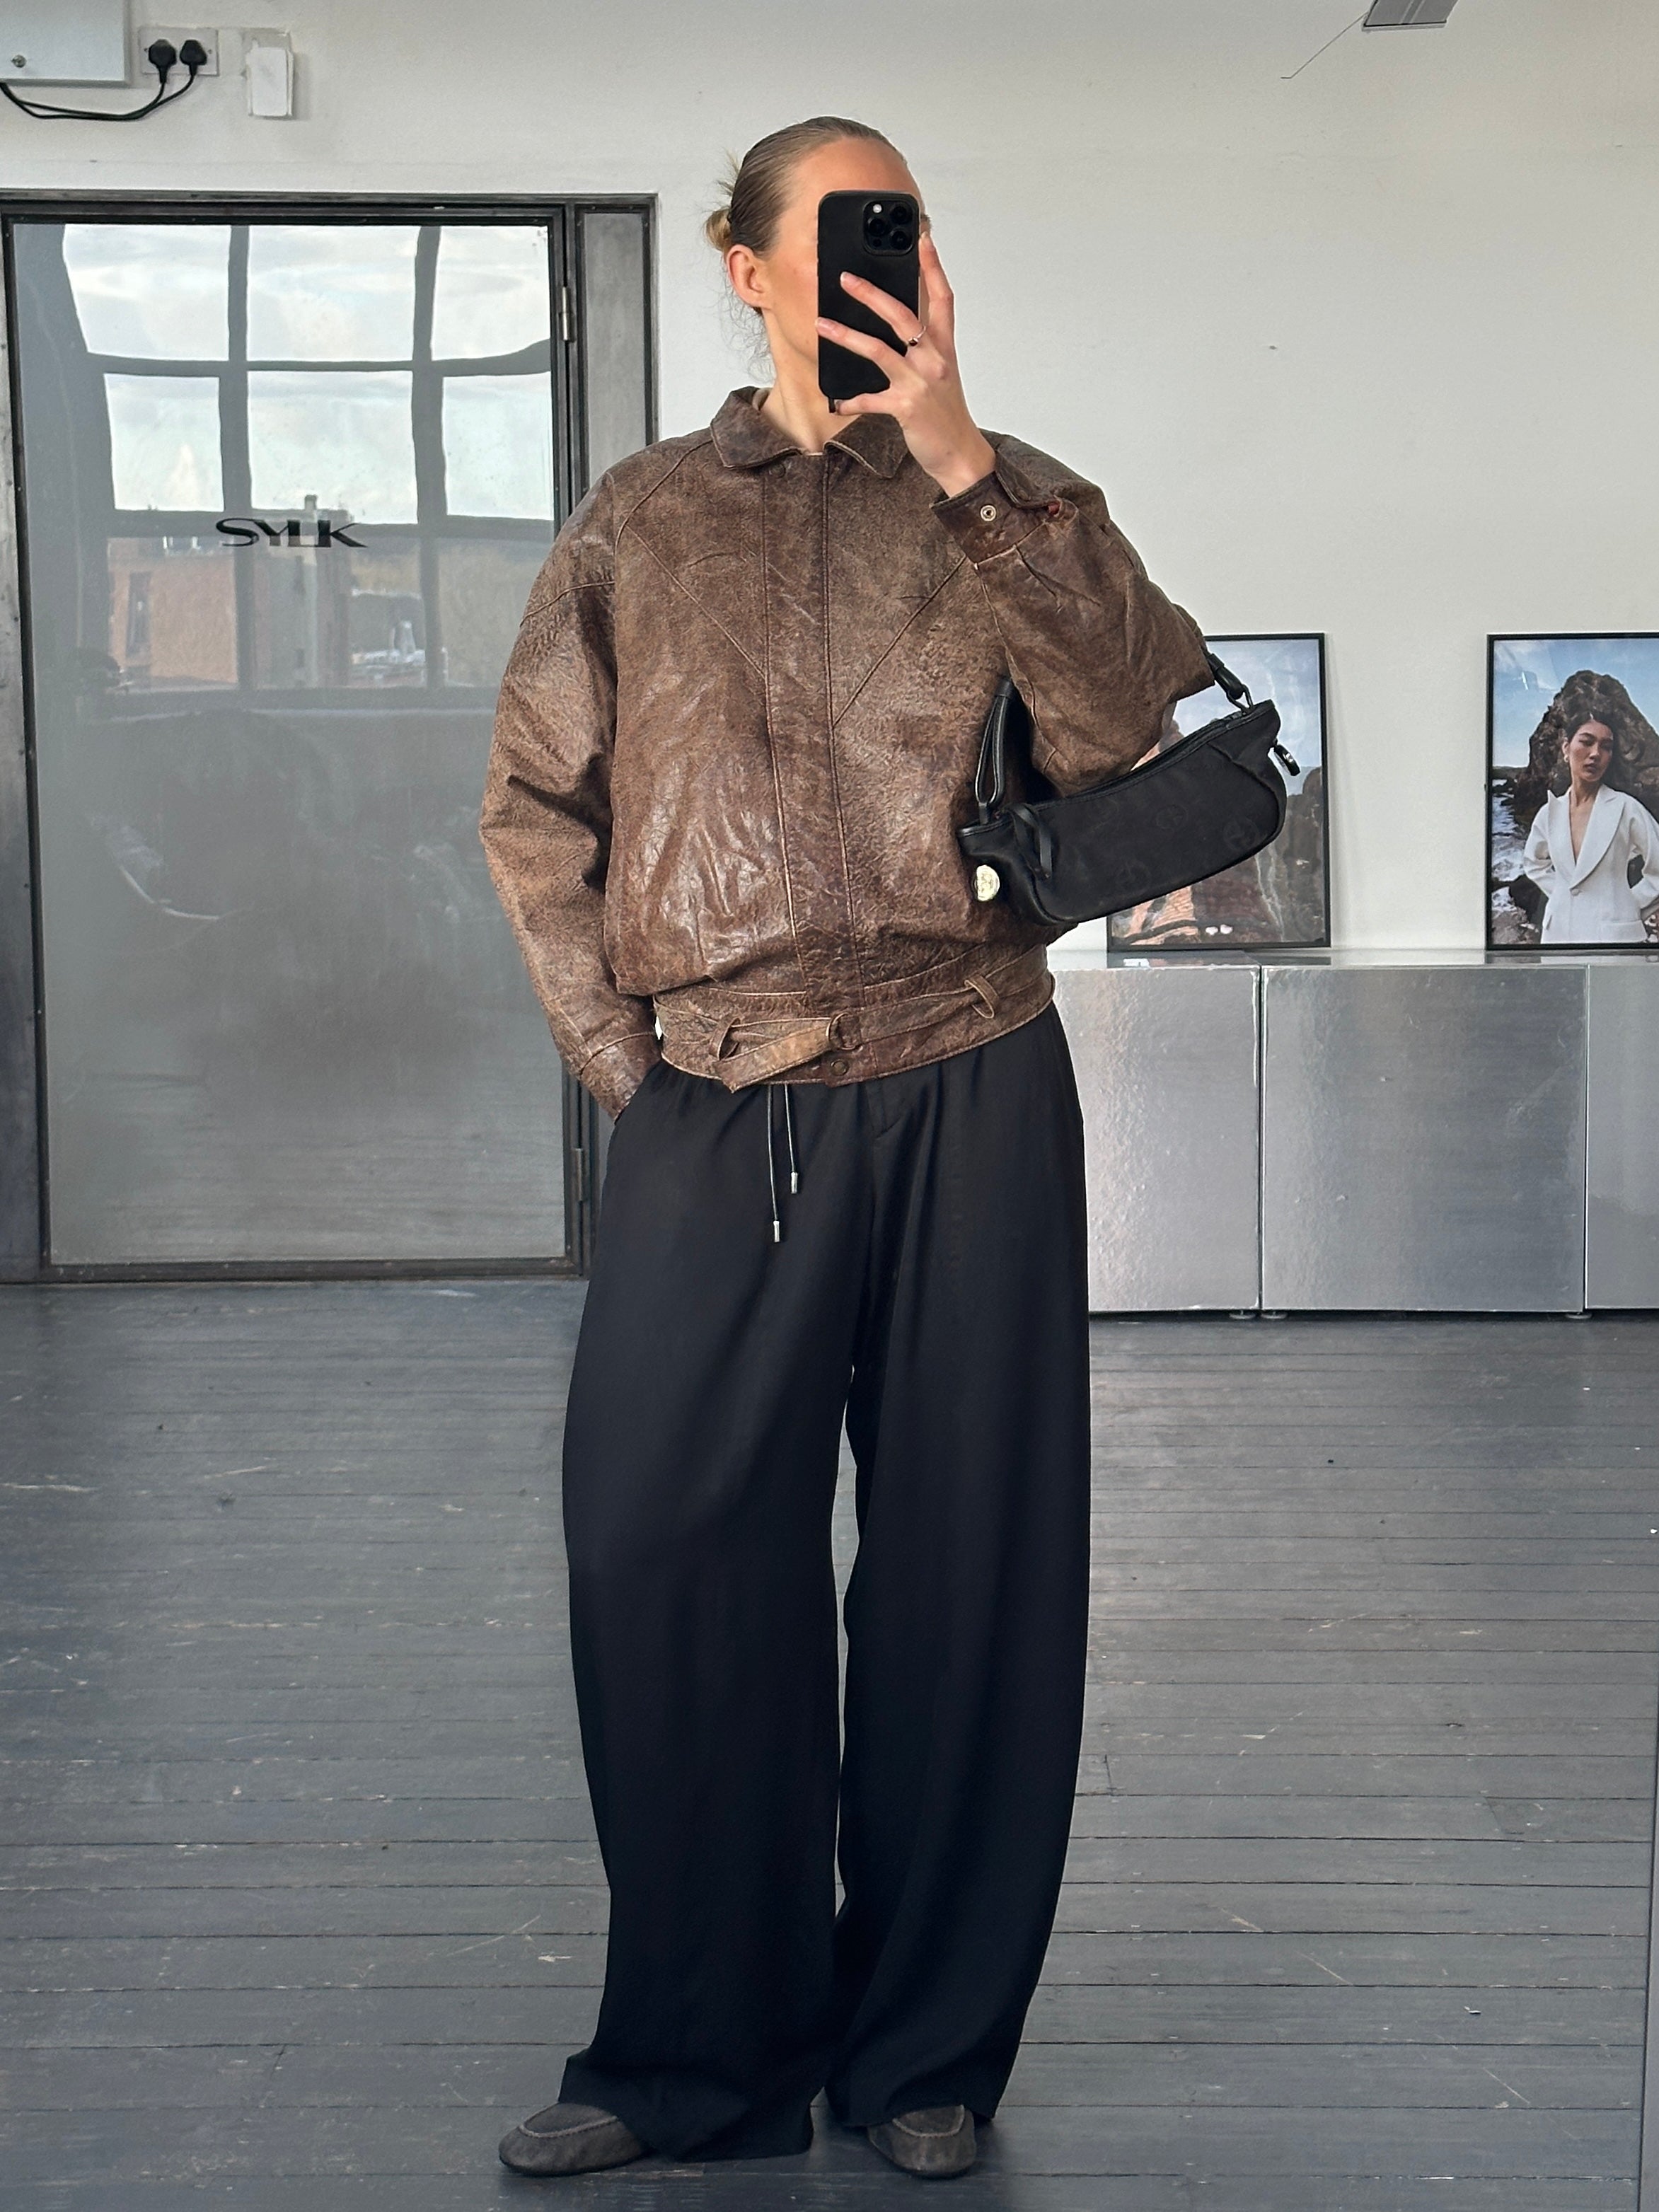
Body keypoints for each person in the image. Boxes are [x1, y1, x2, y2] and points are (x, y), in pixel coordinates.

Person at [478, 115, 1212, 2182]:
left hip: (970, 1068)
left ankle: (920, 2055)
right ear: (745, 265)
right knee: (662, 1558)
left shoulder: (1014, 495)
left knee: (973, 1569)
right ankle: (693, 2059)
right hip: (714, 1093)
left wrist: (964, 458)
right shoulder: (643, 521)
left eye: (907, 225)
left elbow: (1122, 732)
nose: (885, 258)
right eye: (840, 227)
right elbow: (534, 807)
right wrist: (632, 1068)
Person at [1521, 713, 1659, 944]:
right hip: (1559, 935)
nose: (1596, 753)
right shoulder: (1549, 813)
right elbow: (1534, 862)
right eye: (1586, 742)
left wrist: (1628, 904)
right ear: (1566, 748)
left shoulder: (1626, 808)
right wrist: (1562, 893)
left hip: (1615, 939)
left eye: (1606, 747)